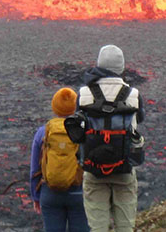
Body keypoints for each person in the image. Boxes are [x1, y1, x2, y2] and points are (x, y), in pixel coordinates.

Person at [75, 44, 144, 232]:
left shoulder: (83, 94)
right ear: (121, 67)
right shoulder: (133, 95)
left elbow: (78, 127)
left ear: (99, 64)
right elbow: (139, 120)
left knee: (98, 228)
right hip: (124, 168)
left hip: (93, 168)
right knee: (125, 227)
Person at [30, 87, 88, 231]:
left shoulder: (43, 132)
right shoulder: (84, 130)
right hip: (78, 191)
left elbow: (35, 169)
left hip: (50, 192)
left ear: (54, 107)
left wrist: (36, 196)